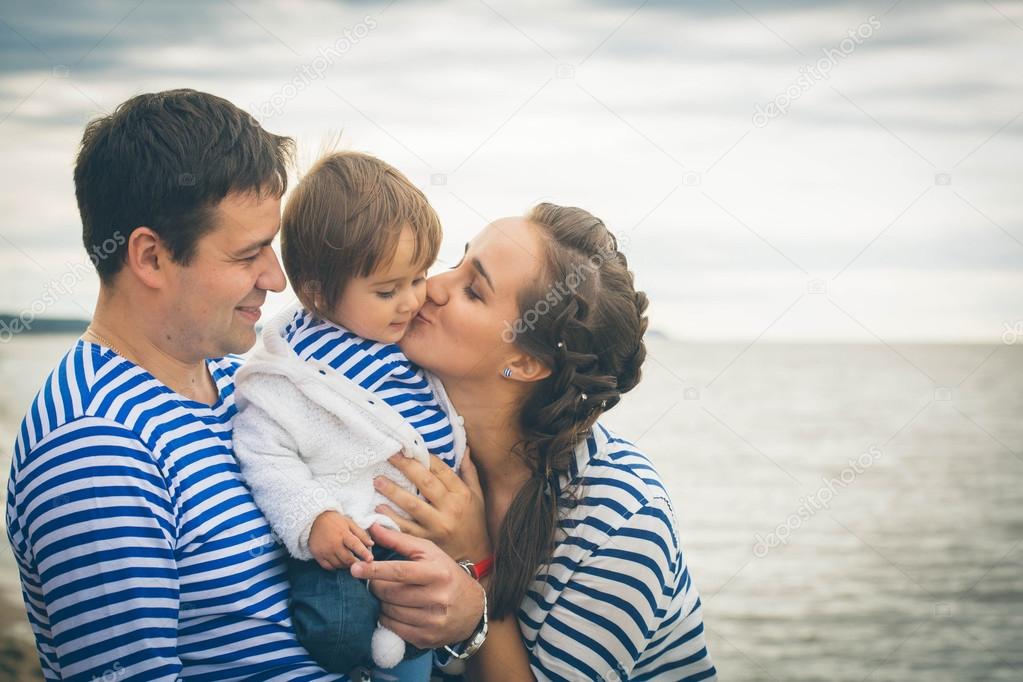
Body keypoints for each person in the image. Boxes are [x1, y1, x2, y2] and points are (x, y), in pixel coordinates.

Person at [4, 89, 484, 681]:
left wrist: (466, 606)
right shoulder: (96, 452)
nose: (277, 279)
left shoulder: (248, 384)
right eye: (248, 254)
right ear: (150, 257)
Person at [354, 203, 719, 680]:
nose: (432, 286)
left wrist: (476, 568)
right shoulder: (410, 438)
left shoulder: (624, 518)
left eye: (472, 290)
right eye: (457, 262)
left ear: (525, 363)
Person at [232, 151, 465, 674]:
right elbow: (263, 453)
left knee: (422, 642)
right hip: (348, 540)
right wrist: (314, 516)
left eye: (418, 277)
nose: (410, 301)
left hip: (416, 537)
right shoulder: (291, 372)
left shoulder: (404, 341)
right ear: (317, 293)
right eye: (387, 291)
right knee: (338, 630)